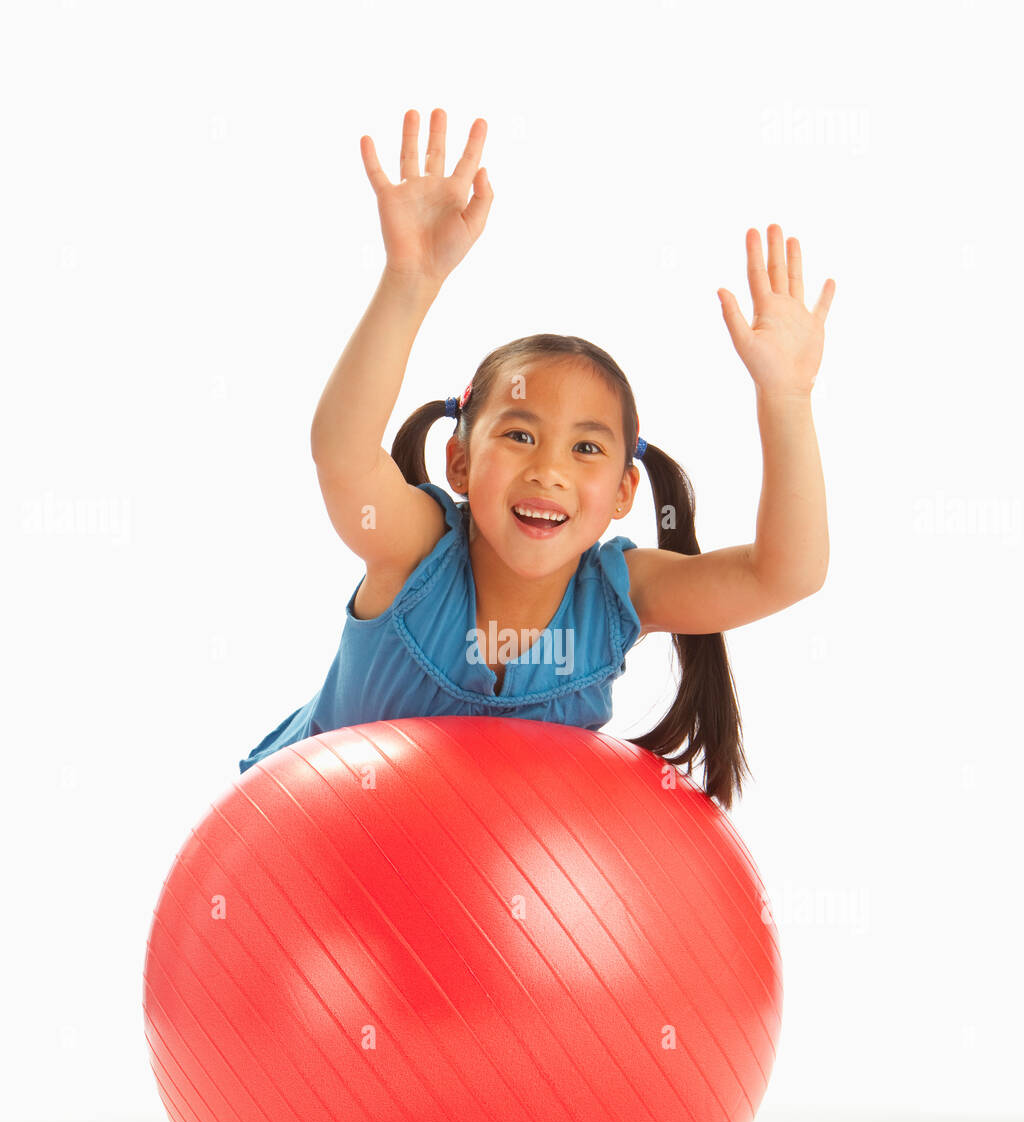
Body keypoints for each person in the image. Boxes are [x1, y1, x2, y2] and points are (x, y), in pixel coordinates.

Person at [238, 109, 835, 809]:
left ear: (622, 492)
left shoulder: (617, 599)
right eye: (519, 435)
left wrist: (787, 400)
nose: (548, 470)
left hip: (488, 901)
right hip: (308, 859)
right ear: (459, 464)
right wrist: (410, 279)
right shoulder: (414, 554)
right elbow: (340, 455)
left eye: (586, 448)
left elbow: (786, 574)